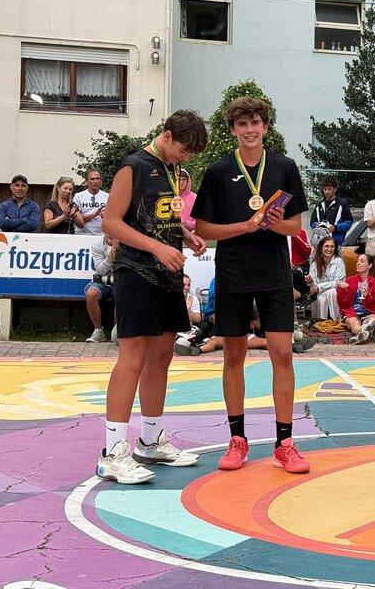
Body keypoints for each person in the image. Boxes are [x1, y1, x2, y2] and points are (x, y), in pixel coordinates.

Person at [192, 97, 311, 475]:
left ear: (265, 126)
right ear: (232, 129)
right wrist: (245, 226)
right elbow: (203, 228)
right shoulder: (218, 171)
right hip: (233, 274)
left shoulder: (284, 167)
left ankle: (285, 443)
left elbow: (295, 226)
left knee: (282, 353)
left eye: (255, 122)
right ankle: (237, 440)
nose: (249, 130)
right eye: (242, 124)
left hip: (275, 274)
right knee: (233, 355)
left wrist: (270, 222)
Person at [96, 109, 209, 484]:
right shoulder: (133, 165)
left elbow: (159, 215)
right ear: (167, 135)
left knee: (162, 356)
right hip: (136, 271)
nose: (186, 157)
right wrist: (157, 248)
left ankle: (150, 442)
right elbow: (112, 222)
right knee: (133, 358)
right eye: (184, 149)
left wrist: (185, 234)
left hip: (167, 275)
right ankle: (112, 453)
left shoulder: (173, 169)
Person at [338, 253, 375, 344]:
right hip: (352, 312)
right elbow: (343, 304)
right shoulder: (349, 280)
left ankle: (362, 334)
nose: (358, 263)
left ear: (369, 265)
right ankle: (364, 331)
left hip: (368, 312)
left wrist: (368, 296)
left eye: (362, 261)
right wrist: (341, 290)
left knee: (374, 319)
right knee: (354, 323)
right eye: (357, 261)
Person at [85, 234, 119, 343]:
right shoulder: (97, 246)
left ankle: (117, 331)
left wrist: (118, 252)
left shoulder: (125, 245)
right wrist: (110, 257)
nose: (110, 234)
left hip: (120, 280)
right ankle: (98, 331)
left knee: (122, 295)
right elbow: (100, 271)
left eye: (113, 231)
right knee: (91, 294)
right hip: (102, 281)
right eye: (107, 231)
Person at [308, 235, 346, 320]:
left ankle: (336, 319)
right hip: (319, 293)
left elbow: (338, 282)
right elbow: (313, 286)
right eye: (326, 246)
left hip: (335, 293)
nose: (329, 249)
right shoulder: (314, 264)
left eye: (332, 246)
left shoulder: (339, 261)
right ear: (321, 248)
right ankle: (320, 320)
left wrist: (319, 287)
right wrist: (311, 281)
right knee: (320, 297)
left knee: (332, 292)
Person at [309, 175, 353, 247]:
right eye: (325, 189)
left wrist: (335, 228)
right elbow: (312, 222)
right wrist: (316, 225)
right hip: (320, 243)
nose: (327, 192)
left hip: (336, 244)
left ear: (335, 189)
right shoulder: (319, 205)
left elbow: (349, 222)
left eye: (329, 189)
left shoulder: (342, 204)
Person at [73, 169, 109, 235]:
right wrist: (95, 214)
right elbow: (78, 220)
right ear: (86, 181)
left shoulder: (107, 196)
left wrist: (106, 217)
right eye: (92, 179)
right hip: (82, 234)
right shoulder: (79, 196)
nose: (95, 181)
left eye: (98, 178)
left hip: (101, 234)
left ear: (101, 181)